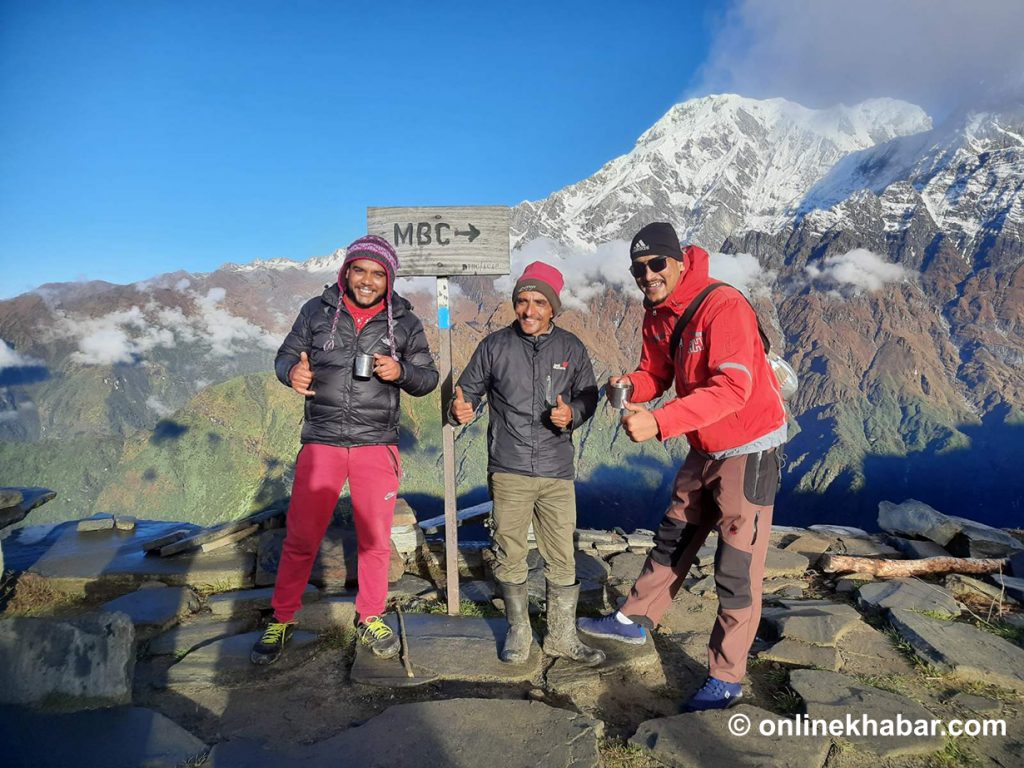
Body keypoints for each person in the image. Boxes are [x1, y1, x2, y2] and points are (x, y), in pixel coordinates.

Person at [578, 222, 787, 711]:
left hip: (750, 446)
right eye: (638, 268)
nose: (647, 274)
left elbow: (733, 389)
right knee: (675, 531)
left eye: (655, 264)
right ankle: (633, 620)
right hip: (706, 444)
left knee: (737, 566)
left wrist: (661, 421)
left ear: (677, 261)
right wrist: (631, 383)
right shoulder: (658, 313)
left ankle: (727, 676)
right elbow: (659, 372)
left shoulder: (723, 306)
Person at [251, 235, 438, 665]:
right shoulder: (316, 312)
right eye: (361, 270)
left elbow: (427, 379)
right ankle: (282, 617)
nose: (368, 281)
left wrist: (402, 370)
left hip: (376, 442)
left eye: (378, 274)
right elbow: (284, 357)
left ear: (388, 279)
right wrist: (291, 374)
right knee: (302, 536)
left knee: (375, 540)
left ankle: (370, 614)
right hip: (322, 441)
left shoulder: (404, 322)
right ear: (346, 271)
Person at [451, 261, 604, 667]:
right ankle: (519, 631)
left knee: (562, 555)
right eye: (522, 300)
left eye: (539, 302)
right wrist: (460, 407)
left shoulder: (571, 347)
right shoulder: (494, 346)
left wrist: (572, 413)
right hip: (510, 466)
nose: (529, 310)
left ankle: (561, 637)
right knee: (509, 550)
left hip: (556, 469)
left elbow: (589, 394)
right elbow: (468, 391)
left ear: (553, 307)